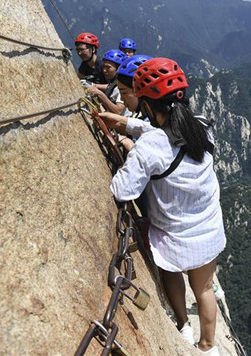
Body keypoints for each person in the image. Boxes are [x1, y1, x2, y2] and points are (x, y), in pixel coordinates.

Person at [107, 58, 225, 355]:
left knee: (170, 271)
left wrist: (127, 145)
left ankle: (183, 326)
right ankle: (208, 347)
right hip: (208, 228)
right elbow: (167, 135)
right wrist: (127, 124)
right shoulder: (201, 126)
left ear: (147, 105)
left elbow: (123, 190)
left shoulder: (150, 147)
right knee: (204, 290)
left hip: (172, 234)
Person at [86, 49, 128, 115]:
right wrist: (93, 85)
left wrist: (100, 94)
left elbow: (118, 111)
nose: (104, 70)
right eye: (103, 67)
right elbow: (109, 87)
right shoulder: (114, 83)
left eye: (108, 67)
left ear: (118, 68)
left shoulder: (123, 87)